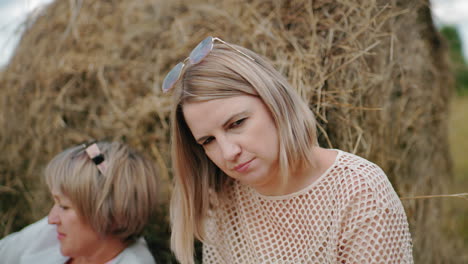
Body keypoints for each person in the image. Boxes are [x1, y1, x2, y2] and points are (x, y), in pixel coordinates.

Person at [165, 36, 414, 264]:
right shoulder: (223, 203)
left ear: (275, 101)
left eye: (237, 123)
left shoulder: (359, 194)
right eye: (208, 141)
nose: (228, 152)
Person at [0, 141, 159, 264]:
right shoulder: (52, 233)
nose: (51, 219)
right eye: (56, 202)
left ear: (114, 215)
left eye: (64, 206)